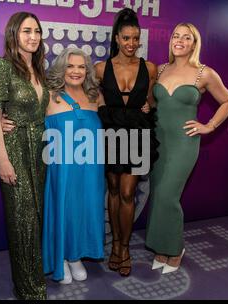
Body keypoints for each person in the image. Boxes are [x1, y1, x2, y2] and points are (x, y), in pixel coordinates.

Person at [146, 23, 228, 274]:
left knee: (168, 196)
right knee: (157, 195)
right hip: (157, 142)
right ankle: (160, 248)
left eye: (187, 38)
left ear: (194, 44)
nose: (180, 41)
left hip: (184, 142)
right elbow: (150, 103)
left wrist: (210, 125)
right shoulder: (160, 69)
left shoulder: (204, 73)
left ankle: (175, 250)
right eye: (176, 36)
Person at [0, 12, 48, 299]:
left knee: (35, 216)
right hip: (14, 149)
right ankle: (29, 291)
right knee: (22, 220)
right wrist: (3, 159)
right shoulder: (2, 66)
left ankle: (33, 280)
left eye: (36, 31)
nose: (33, 36)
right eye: (26, 31)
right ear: (14, 34)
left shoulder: (38, 68)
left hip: (39, 150)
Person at [95, 8, 159, 277]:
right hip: (110, 133)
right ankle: (113, 250)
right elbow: (94, 99)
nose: (131, 44)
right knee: (112, 189)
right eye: (126, 38)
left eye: (136, 39)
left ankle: (123, 247)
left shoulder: (150, 67)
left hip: (137, 132)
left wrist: (148, 105)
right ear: (117, 39)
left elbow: (153, 99)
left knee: (128, 192)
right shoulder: (100, 68)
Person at [42, 48, 105, 284]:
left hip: (91, 168)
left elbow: (120, 113)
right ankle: (62, 258)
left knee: (86, 209)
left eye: (81, 66)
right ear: (61, 69)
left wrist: (144, 106)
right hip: (63, 168)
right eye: (70, 66)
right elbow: (25, 122)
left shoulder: (95, 97)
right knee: (65, 208)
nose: (76, 71)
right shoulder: (48, 96)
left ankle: (76, 255)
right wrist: (5, 122)